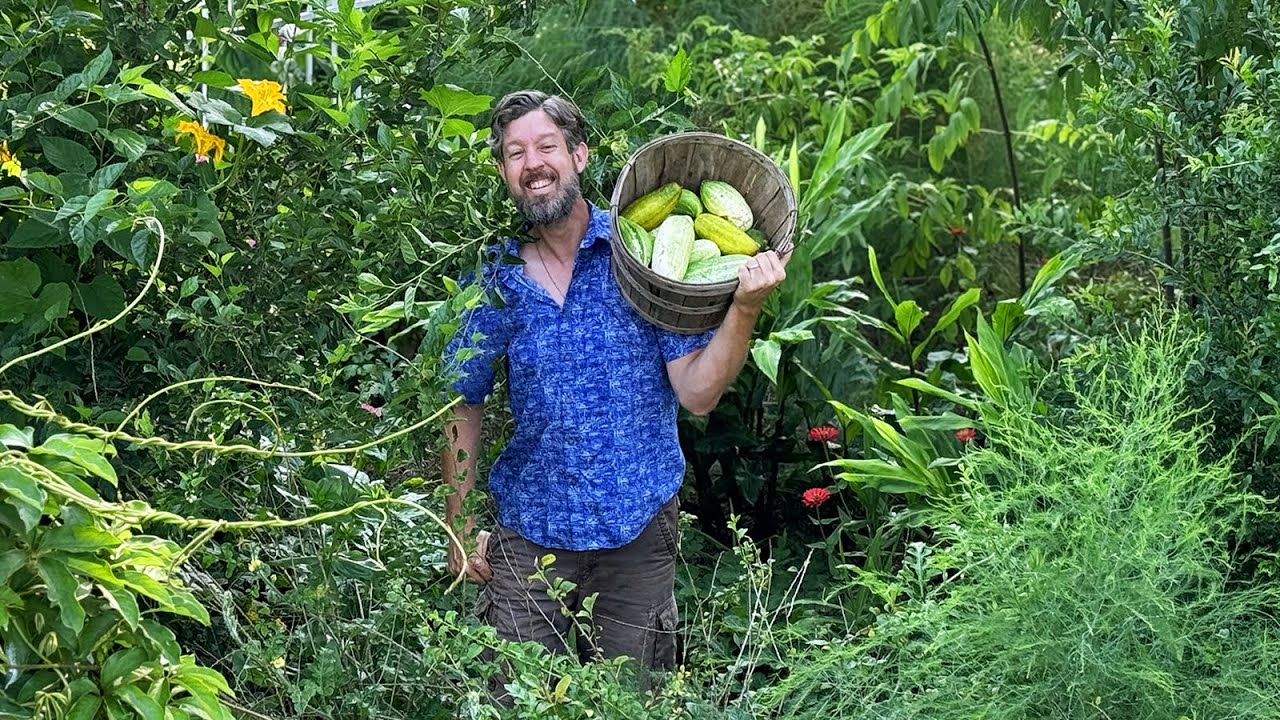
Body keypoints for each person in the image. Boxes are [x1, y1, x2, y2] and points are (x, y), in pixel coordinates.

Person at [439, 90, 788, 677]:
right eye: (515, 153)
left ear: (579, 154)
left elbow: (698, 392)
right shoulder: (493, 277)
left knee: (632, 700)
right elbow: (461, 402)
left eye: (547, 146)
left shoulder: (643, 257)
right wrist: (460, 518)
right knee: (518, 700)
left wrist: (744, 309)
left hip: (637, 534)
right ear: (504, 172)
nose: (533, 164)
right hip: (530, 535)